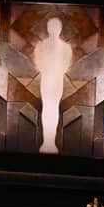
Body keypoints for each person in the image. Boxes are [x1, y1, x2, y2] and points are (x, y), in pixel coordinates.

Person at [33, 17, 73, 153]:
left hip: (57, 79)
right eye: (52, 26)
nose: (54, 29)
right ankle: (46, 142)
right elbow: (37, 61)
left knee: (54, 108)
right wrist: (48, 69)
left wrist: (56, 71)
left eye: (56, 26)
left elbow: (66, 64)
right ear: (48, 28)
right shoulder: (41, 46)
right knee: (47, 107)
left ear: (60, 29)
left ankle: (51, 142)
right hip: (47, 78)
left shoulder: (66, 48)